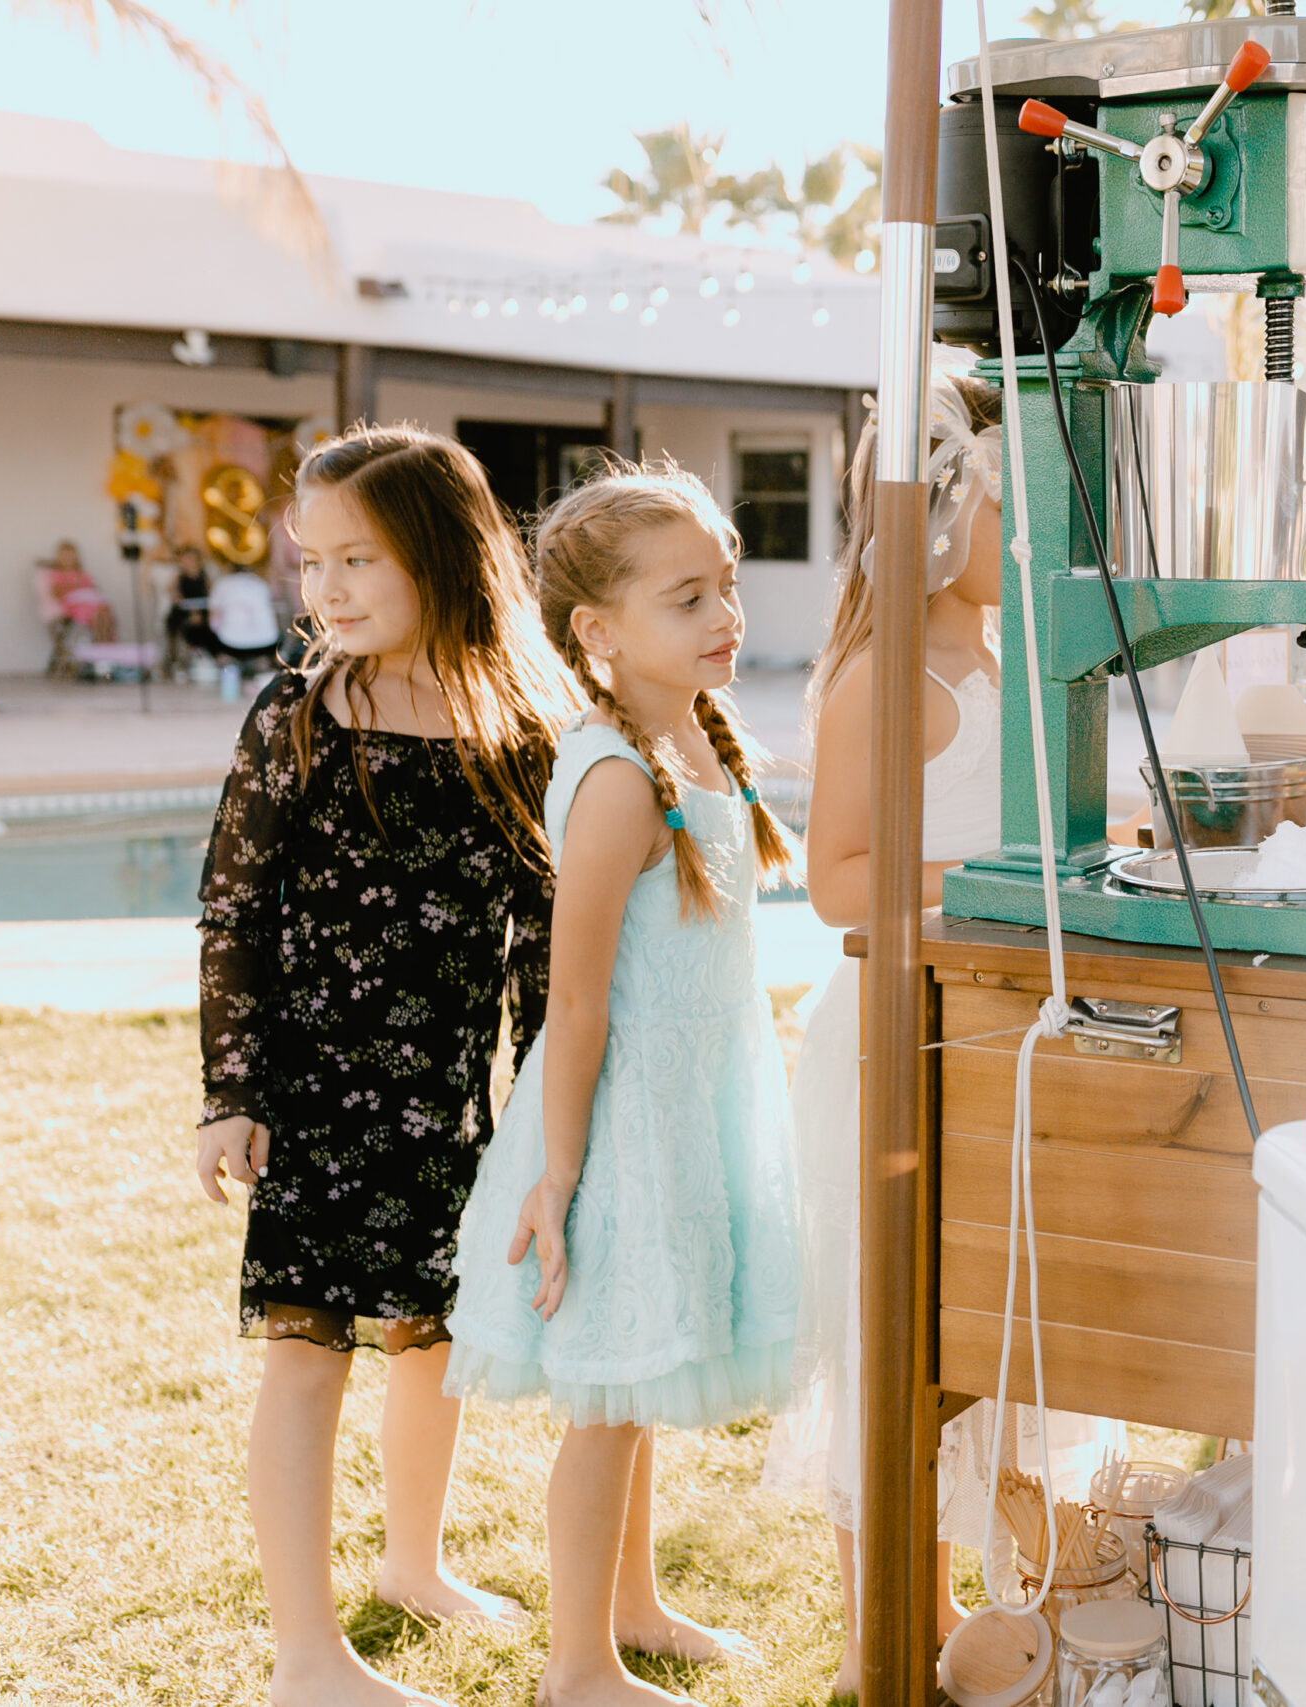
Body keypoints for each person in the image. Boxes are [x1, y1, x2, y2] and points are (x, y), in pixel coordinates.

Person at [192, 425, 578, 1707]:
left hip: (449, 1102)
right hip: (313, 1104)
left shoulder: (520, 731)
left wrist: (536, 1117)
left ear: (443, 557)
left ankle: (414, 1564)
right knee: (310, 1358)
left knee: (434, 1343)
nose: (330, 589)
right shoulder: (299, 716)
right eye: (315, 563)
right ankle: (309, 1654)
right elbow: (234, 911)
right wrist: (231, 1093)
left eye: (359, 558)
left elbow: (543, 943)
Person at [769, 373, 1121, 1698]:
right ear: (939, 513)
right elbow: (841, 880)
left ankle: (1009, 1626)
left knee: (1009, 1322)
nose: (1034, 543)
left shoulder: (1007, 657)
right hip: (901, 1047)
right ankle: (886, 1646)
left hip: (1011, 1035)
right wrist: (1005, 876)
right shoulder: (888, 676)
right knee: (899, 1341)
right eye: (1012, 511)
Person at [443, 461, 801, 1707]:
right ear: (598, 633)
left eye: (728, 587)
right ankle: (576, 1666)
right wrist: (562, 1174)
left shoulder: (693, 736)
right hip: (619, 1125)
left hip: (693, 1100)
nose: (724, 617)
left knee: (643, 1374)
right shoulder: (611, 777)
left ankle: (636, 1608)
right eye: (686, 597)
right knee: (605, 1399)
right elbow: (576, 1000)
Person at [39, 539, 117, 642]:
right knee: (97, 614)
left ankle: (109, 642)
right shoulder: (57, 574)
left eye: (70, 556)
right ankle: (100, 643)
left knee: (105, 611)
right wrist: (73, 587)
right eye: (64, 556)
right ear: (59, 558)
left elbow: (94, 588)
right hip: (75, 605)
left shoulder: (81, 574)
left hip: (89, 601)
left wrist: (84, 587)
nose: (68, 559)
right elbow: (56, 593)